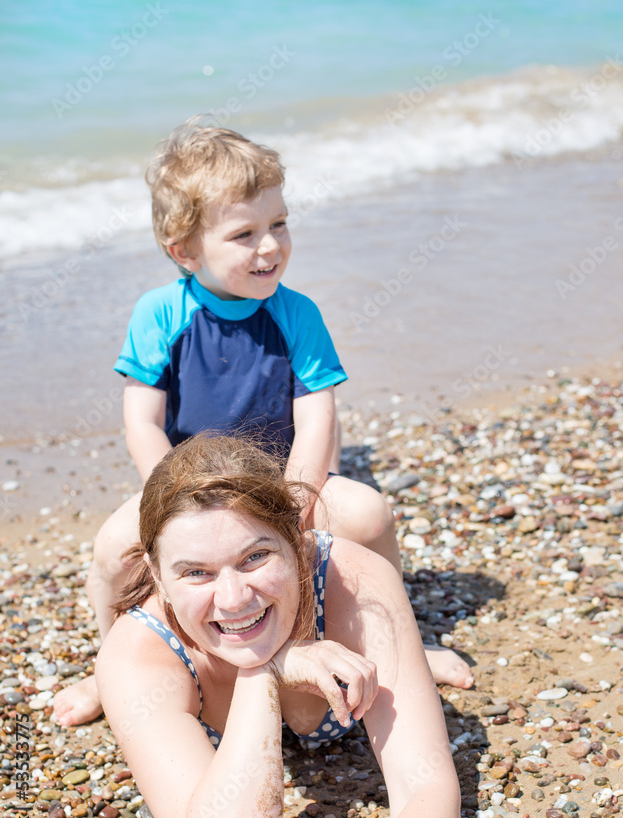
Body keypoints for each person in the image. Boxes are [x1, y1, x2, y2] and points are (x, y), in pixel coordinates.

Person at [54, 118, 472, 727]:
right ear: (185, 250)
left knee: (373, 515)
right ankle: (108, 666)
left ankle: (403, 639)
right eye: (244, 234)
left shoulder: (296, 314)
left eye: (278, 224)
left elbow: (317, 416)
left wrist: (298, 497)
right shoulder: (160, 314)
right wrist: (168, 496)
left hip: (282, 479)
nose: (270, 246)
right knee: (113, 551)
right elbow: (142, 420)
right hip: (188, 489)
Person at [95, 433, 465, 818]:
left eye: (254, 557)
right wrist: (264, 673)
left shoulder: (356, 584)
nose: (232, 598)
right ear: (159, 579)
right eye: (196, 573)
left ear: (295, 540)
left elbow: (427, 788)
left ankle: (418, 648)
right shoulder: (140, 657)